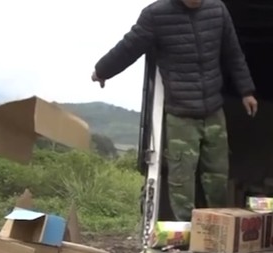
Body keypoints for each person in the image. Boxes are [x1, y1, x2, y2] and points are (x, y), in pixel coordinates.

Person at [91, 0, 259, 221]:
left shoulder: (217, 10)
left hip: (213, 109)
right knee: (181, 179)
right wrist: (102, 71)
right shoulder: (155, 15)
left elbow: (233, 53)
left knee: (217, 176)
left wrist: (246, 90)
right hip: (181, 113)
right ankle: (186, 232)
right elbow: (128, 48)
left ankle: (218, 229)